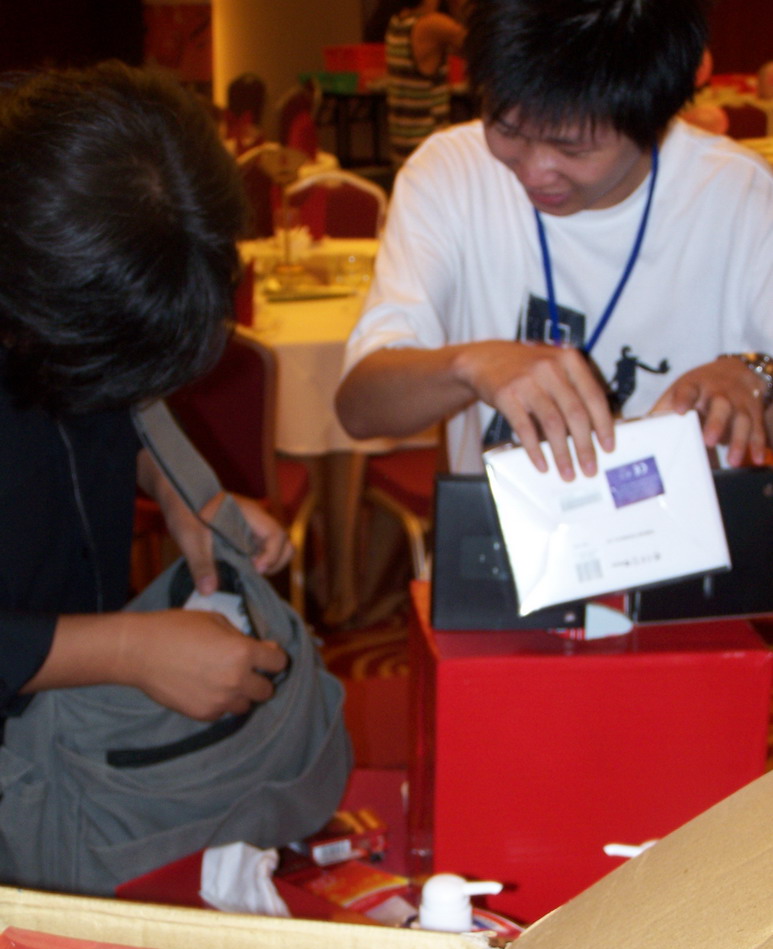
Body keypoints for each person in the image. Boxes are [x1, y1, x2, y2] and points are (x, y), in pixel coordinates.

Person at [337, 0, 773, 484]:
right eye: (507, 130)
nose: (534, 171)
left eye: (573, 149)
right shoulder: (450, 172)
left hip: (687, 526)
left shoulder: (740, 194)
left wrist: (755, 378)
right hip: (502, 526)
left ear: (654, 116)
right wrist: (467, 366)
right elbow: (360, 409)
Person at [0, 62, 293, 731]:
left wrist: (182, 492)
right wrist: (125, 650)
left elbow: (104, 408)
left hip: (65, 723)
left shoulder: (67, 263)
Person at [385, 0, 467, 166]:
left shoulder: (397, 23)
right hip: (429, 148)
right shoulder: (432, 25)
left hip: (404, 147)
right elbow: (484, 46)